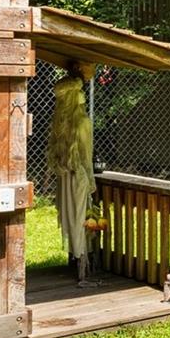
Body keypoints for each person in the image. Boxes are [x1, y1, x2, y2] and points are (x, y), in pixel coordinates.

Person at [48, 63, 97, 286]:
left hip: (64, 176)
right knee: (80, 220)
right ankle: (83, 271)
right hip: (79, 177)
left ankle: (78, 263)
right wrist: (91, 183)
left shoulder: (59, 124)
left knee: (70, 217)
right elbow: (86, 157)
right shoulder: (82, 122)